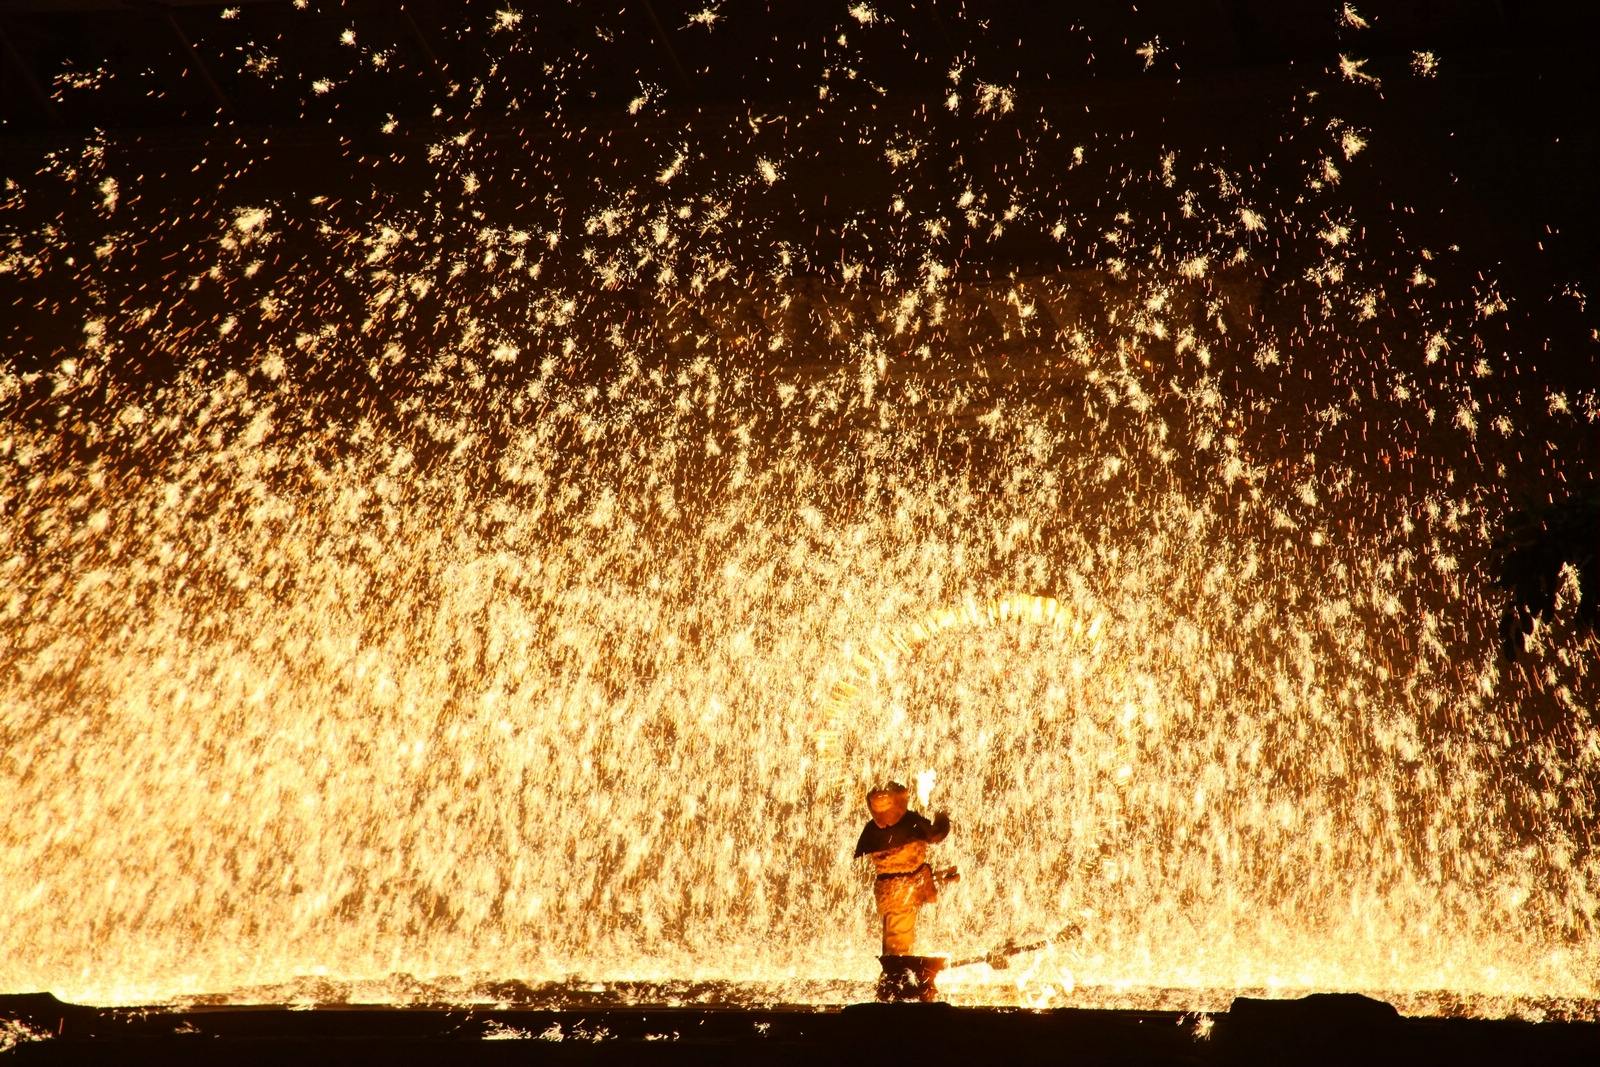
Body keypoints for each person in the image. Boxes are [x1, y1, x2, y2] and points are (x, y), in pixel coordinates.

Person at [853, 782, 954, 957]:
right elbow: (935, 834)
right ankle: (899, 973)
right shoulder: (910, 822)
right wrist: (942, 816)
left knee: (893, 931)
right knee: (899, 939)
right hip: (904, 890)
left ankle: (894, 967)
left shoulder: (871, 829)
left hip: (887, 891)